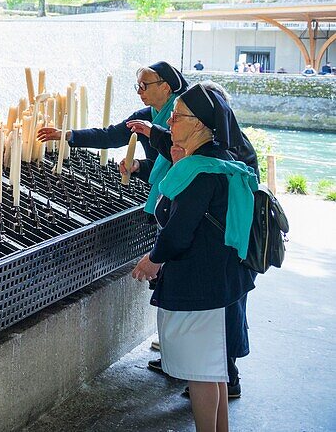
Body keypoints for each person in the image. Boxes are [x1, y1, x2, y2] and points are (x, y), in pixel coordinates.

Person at [131, 84, 257, 431]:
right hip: (221, 279)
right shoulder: (223, 159)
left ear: (200, 124)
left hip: (199, 283)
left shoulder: (198, 171)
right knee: (213, 372)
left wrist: (152, 260)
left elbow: (179, 231)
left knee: (202, 375)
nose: (170, 121)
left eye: (178, 115)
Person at [37, 61, 188, 186]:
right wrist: (67, 134)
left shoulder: (189, 116)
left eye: (144, 86)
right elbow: (110, 136)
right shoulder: (144, 117)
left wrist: (153, 133)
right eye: (138, 86)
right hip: (160, 191)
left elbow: (187, 157)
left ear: (165, 87)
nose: (139, 92)